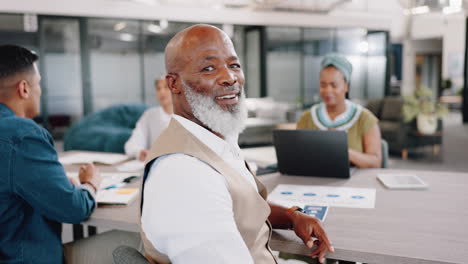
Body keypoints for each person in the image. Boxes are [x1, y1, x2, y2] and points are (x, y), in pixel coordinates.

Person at [140, 24, 334, 264]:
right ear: (174, 84)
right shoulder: (185, 173)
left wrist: (291, 216)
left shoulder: (212, 137)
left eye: (234, 65)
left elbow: (240, 205)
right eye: (208, 68)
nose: (230, 78)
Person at [0, 44, 102, 264]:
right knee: (133, 245)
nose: (40, 92)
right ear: (24, 89)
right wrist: (90, 185)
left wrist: (54, 182)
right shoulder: (23, 135)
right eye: (39, 85)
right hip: (21, 257)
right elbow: (73, 209)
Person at [297, 53, 382, 168]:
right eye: (323, 85)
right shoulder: (307, 118)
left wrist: (342, 151)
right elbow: (297, 156)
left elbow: (375, 162)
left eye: (334, 85)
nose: (328, 90)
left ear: (346, 86)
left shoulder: (365, 119)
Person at [124, 77, 173, 161]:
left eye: (166, 87)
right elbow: (131, 144)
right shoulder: (150, 115)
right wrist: (139, 152)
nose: (161, 92)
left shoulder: (187, 116)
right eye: (158, 88)